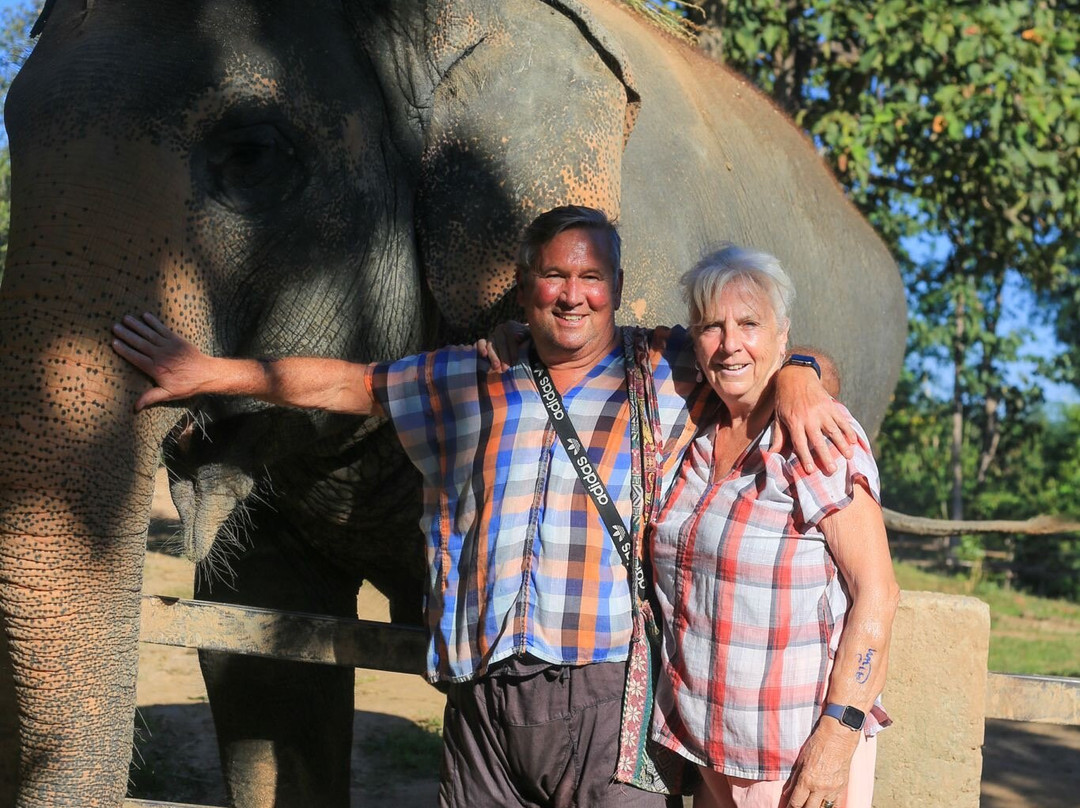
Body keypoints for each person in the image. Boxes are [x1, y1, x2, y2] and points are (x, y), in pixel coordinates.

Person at [111, 206, 850, 808]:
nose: (572, 293)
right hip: (480, 694)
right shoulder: (470, 374)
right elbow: (351, 385)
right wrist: (208, 371)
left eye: (591, 276)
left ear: (618, 287)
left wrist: (803, 379)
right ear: (524, 285)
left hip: (603, 691)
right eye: (554, 274)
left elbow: (756, 349)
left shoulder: (663, 364)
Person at [645, 245, 900, 808]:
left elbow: (877, 592)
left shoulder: (815, 439)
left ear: (783, 338)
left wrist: (839, 735)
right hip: (708, 753)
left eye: (749, 324)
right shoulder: (693, 438)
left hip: (795, 761)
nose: (730, 343)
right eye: (712, 325)